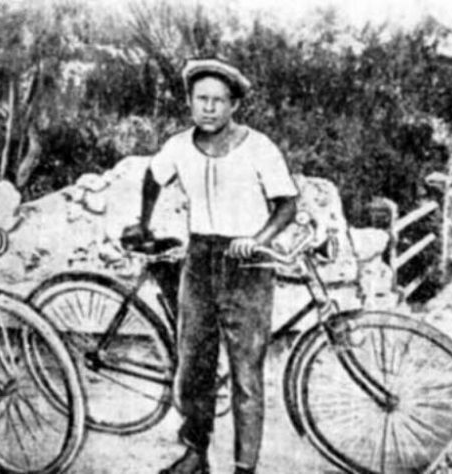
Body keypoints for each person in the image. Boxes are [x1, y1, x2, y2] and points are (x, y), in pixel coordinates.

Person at [124, 59, 298, 474]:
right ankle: (195, 453)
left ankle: (244, 467)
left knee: (246, 375)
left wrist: (259, 239)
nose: (209, 108)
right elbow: (153, 177)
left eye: (218, 100)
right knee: (193, 367)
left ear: (234, 104)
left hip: (247, 265)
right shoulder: (179, 146)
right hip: (200, 259)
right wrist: (144, 223)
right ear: (189, 102)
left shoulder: (259, 147)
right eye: (201, 99)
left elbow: (287, 204)